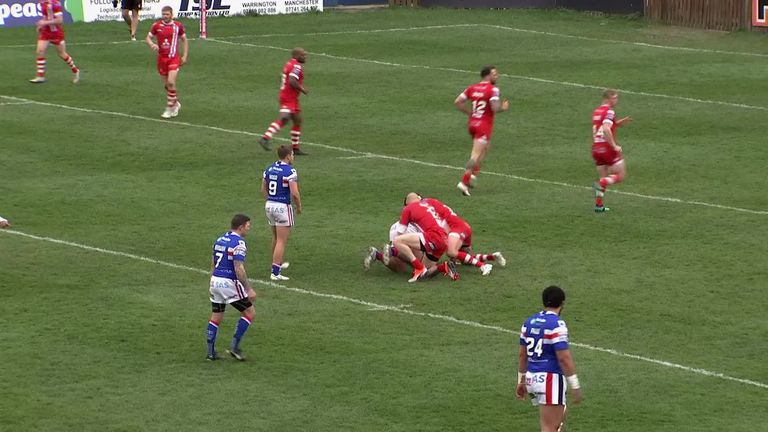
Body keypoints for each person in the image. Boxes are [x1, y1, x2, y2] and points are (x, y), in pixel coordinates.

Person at [516, 285, 582, 432]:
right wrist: (575, 385)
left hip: (532, 379)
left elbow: (522, 355)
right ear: (562, 303)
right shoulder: (557, 324)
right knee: (549, 428)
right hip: (550, 380)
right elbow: (564, 358)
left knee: (556, 422)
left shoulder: (528, 322)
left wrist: (521, 381)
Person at [206, 214, 256, 361]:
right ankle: (234, 348)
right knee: (250, 312)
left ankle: (210, 353)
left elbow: (213, 263)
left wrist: (212, 280)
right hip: (229, 282)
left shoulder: (220, 239)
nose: (249, 228)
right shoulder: (239, 243)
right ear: (240, 227)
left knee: (216, 316)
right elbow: (238, 268)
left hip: (215, 281)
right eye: (247, 226)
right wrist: (248, 289)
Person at [454, 65, 509, 196]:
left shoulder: (472, 88)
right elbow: (495, 108)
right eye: (494, 74)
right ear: (488, 75)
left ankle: (474, 172)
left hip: (473, 124)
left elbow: (457, 102)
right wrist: (503, 107)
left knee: (486, 147)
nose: (497, 76)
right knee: (475, 155)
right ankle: (464, 181)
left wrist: (470, 113)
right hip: (483, 125)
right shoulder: (493, 89)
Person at [425, 197, 505, 276]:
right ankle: (491, 257)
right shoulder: (437, 207)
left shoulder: (430, 210)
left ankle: (483, 266)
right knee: (462, 258)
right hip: (464, 227)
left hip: (457, 229)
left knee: (451, 252)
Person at [259, 48, 310, 155]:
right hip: (288, 97)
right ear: (297, 56)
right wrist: (303, 89)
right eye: (303, 55)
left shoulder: (289, 63)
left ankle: (295, 148)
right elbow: (292, 80)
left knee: (297, 120)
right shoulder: (296, 66)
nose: (306, 57)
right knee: (284, 118)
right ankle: (265, 138)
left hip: (291, 97)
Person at [262, 145, 302, 281]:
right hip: (282, 207)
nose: (293, 157)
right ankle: (275, 272)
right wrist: (298, 206)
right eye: (292, 155)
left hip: (269, 205)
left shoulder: (269, 168)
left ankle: (276, 264)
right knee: (281, 241)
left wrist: (271, 201)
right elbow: (294, 193)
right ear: (288, 156)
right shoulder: (290, 171)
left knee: (275, 237)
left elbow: (263, 189)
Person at [390, 193, 449, 282]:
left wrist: (395, 251)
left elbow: (400, 233)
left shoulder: (408, 208)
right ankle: (443, 267)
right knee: (424, 273)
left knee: (397, 241)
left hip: (433, 236)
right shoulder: (428, 204)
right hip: (445, 239)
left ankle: (419, 267)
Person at [591, 89, 632, 212]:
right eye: (615, 98)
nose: (616, 100)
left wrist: (618, 123)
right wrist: (614, 146)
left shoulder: (597, 111)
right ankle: (602, 181)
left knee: (603, 176)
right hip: (607, 148)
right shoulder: (609, 112)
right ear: (608, 98)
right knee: (621, 175)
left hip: (596, 149)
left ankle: (599, 205)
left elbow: (600, 127)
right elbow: (606, 129)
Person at [146, 6, 188, 119]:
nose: (165, 16)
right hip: (161, 59)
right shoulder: (156, 25)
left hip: (173, 58)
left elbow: (184, 39)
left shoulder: (177, 26)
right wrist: (152, 44)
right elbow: (148, 38)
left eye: (167, 14)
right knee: (167, 86)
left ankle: (169, 108)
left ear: (171, 15)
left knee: (170, 82)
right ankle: (176, 103)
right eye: (163, 14)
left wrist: (184, 55)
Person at [29, 0, 80, 84]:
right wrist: (41, 25)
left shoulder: (55, 3)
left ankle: (75, 70)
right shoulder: (42, 2)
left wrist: (44, 22)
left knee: (62, 54)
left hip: (56, 33)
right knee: (40, 51)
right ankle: (40, 76)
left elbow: (60, 20)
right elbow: (46, 16)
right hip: (46, 32)